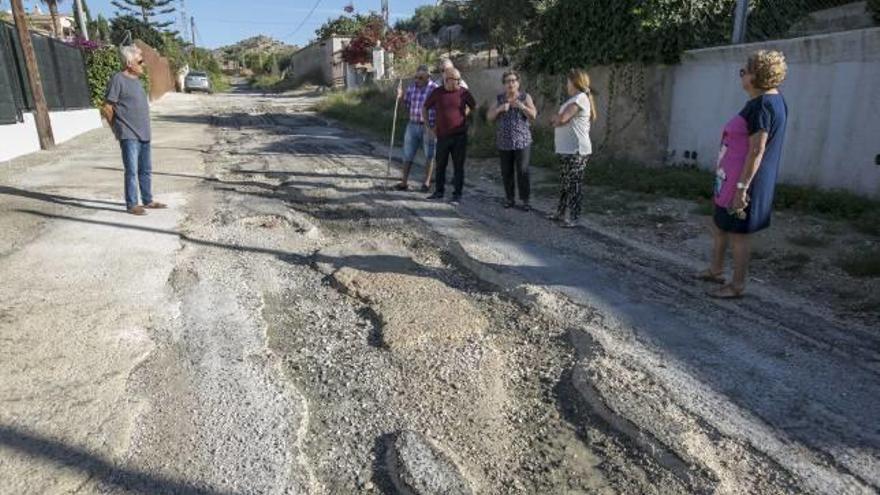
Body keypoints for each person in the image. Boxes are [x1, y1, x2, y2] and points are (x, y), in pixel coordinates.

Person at [699, 50, 789, 299]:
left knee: (739, 234)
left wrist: (742, 188)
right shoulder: (767, 101)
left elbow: (757, 150)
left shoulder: (763, 106)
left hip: (744, 180)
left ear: (756, 76)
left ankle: (737, 285)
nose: (741, 76)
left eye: (743, 72)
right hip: (730, 178)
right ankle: (715, 270)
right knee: (720, 225)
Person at [101, 45, 165, 216]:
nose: (143, 64)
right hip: (129, 134)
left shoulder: (137, 81)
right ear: (129, 63)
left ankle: (148, 200)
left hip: (144, 133)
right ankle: (132, 204)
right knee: (131, 171)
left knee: (145, 169)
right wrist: (117, 129)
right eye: (140, 61)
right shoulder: (118, 79)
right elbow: (107, 107)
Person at [549, 69, 597, 228]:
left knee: (574, 184)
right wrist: (557, 120)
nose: (566, 85)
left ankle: (574, 217)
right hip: (566, 149)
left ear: (575, 82)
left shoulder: (580, 99)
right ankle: (560, 213)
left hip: (577, 149)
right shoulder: (573, 99)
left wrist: (557, 119)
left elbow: (562, 119)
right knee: (565, 183)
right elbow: (558, 120)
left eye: (568, 81)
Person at [423, 68, 476, 205]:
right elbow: (425, 108)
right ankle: (439, 192)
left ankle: (457, 194)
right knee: (440, 165)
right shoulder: (437, 92)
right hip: (442, 136)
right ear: (447, 80)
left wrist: (465, 114)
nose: (459, 82)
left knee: (459, 166)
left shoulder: (463, 92)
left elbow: (473, 106)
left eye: (459, 79)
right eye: (456, 80)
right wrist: (429, 126)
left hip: (460, 136)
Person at [487, 70, 538, 210]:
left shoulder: (525, 97)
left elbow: (533, 115)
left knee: (522, 170)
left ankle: (525, 200)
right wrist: (500, 109)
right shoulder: (499, 98)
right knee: (506, 171)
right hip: (504, 142)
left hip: (522, 141)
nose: (510, 84)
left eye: (513, 81)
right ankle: (509, 198)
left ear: (518, 83)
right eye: (507, 81)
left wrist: (522, 107)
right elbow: (489, 117)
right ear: (504, 84)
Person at [395, 65, 439, 192]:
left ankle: (426, 183)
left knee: (429, 155)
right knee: (407, 154)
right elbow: (406, 106)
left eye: (420, 77)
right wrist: (401, 97)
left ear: (428, 77)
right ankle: (404, 182)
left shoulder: (434, 89)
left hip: (428, 126)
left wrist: (435, 127)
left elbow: (440, 109)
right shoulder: (411, 88)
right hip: (412, 124)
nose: (417, 80)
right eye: (416, 77)